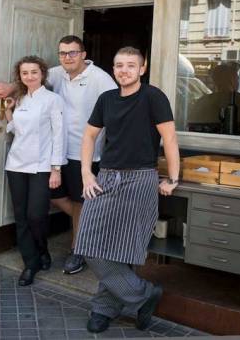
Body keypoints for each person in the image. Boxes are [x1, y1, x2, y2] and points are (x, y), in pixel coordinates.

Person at [74, 46, 180, 334]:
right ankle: (143, 294)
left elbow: (169, 139)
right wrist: (86, 172)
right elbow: (89, 136)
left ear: (142, 69)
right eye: (119, 65)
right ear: (113, 68)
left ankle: (103, 308)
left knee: (123, 248)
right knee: (89, 245)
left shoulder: (153, 96)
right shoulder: (106, 99)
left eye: (131, 65)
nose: (124, 70)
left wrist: (172, 177)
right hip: (105, 178)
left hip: (140, 178)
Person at [0, 35, 116, 275]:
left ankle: (77, 249)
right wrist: (10, 89)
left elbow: (116, 107)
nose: (67, 57)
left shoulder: (100, 78)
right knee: (57, 199)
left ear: (83, 54)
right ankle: (94, 225)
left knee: (81, 202)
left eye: (72, 52)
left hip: (84, 151)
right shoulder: (56, 73)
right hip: (52, 153)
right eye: (63, 53)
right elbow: (29, 80)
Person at [4, 56, 65, 286]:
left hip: (41, 166)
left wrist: (56, 169)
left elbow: (59, 136)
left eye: (34, 72)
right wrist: (9, 111)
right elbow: (14, 130)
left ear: (42, 74)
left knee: (36, 215)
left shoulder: (53, 100)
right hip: (16, 165)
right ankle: (31, 263)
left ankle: (42, 249)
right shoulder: (19, 99)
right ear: (20, 76)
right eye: (24, 73)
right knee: (21, 217)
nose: (29, 76)